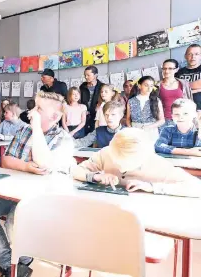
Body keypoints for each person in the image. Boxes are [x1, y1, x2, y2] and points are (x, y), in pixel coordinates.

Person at [0, 91, 75, 277]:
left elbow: (43, 163)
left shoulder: (64, 139)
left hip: (42, 199)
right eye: (34, 106)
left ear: (55, 116)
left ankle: (22, 261)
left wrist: (36, 128)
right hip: (14, 192)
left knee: (15, 218)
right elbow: (6, 160)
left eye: (39, 109)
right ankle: (9, 264)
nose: (32, 111)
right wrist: (27, 166)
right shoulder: (23, 130)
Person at [73, 128, 201, 198]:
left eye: (123, 163)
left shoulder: (156, 164)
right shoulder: (107, 152)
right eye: (115, 160)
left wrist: (152, 187)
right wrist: (96, 176)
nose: (118, 166)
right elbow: (75, 171)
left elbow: (196, 188)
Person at [0, 102, 27, 167]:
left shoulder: (23, 125)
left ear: (13, 114)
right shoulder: (4, 122)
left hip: (12, 153)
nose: (4, 114)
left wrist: (4, 137)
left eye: (6, 112)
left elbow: (17, 138)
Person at [126, 76, 165, 143]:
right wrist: (131, 129)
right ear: (139, 86)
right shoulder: (131, 101)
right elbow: (128, 119)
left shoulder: (156, 100)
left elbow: (162, 120)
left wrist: (149, 126)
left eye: (151, 86)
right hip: (135, 131)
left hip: (151, 132)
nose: (149, 88)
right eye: (146, 85)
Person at [159, 59, 193, 123]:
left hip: (183, 118)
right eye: (164, 68)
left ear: (176, 69)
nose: (166, 71)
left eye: (170, 68)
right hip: (166, 120)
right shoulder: (157, 86)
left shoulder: (184, 83)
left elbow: (190, 101)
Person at [176, 44, 201, 113]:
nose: (193, 57)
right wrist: (197, 89)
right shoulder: (179, 73)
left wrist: (186, 87)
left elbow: (183, 88)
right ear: (185, 56)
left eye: (197, 54)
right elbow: (177, 91)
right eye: (190, 54)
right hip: (186, 111)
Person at [80, 66, 104, 134]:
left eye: (88, 75)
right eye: (85, 75)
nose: (86, 77)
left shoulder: (102, 87)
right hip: (85, 116)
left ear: (95, 75)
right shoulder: (82, 87)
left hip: (97, 116)